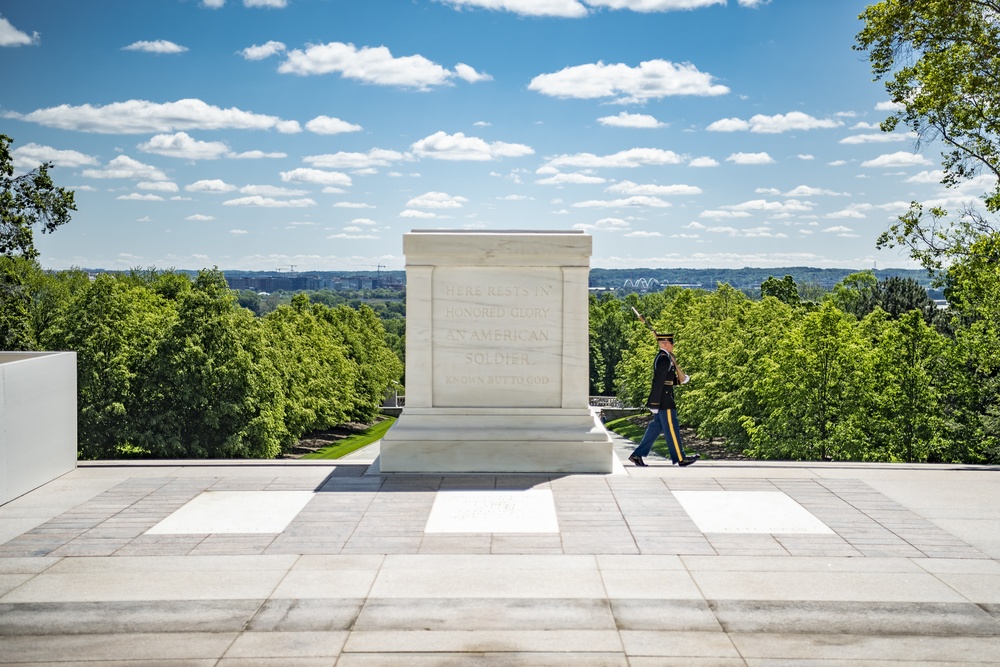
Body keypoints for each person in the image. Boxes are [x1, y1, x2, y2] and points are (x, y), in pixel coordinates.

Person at [629, 332, 699, 467]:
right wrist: (654, 403)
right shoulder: (663, 359)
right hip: (664, 400)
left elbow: (670, 380)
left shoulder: (666, 358)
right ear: (665, 343)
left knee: (655, 427)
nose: (673, 345)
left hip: (664, 398)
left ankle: (637, 455)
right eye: (671, 343)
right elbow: (658, 382)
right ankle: (681, 458)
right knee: (672, 428)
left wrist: (678, 368)